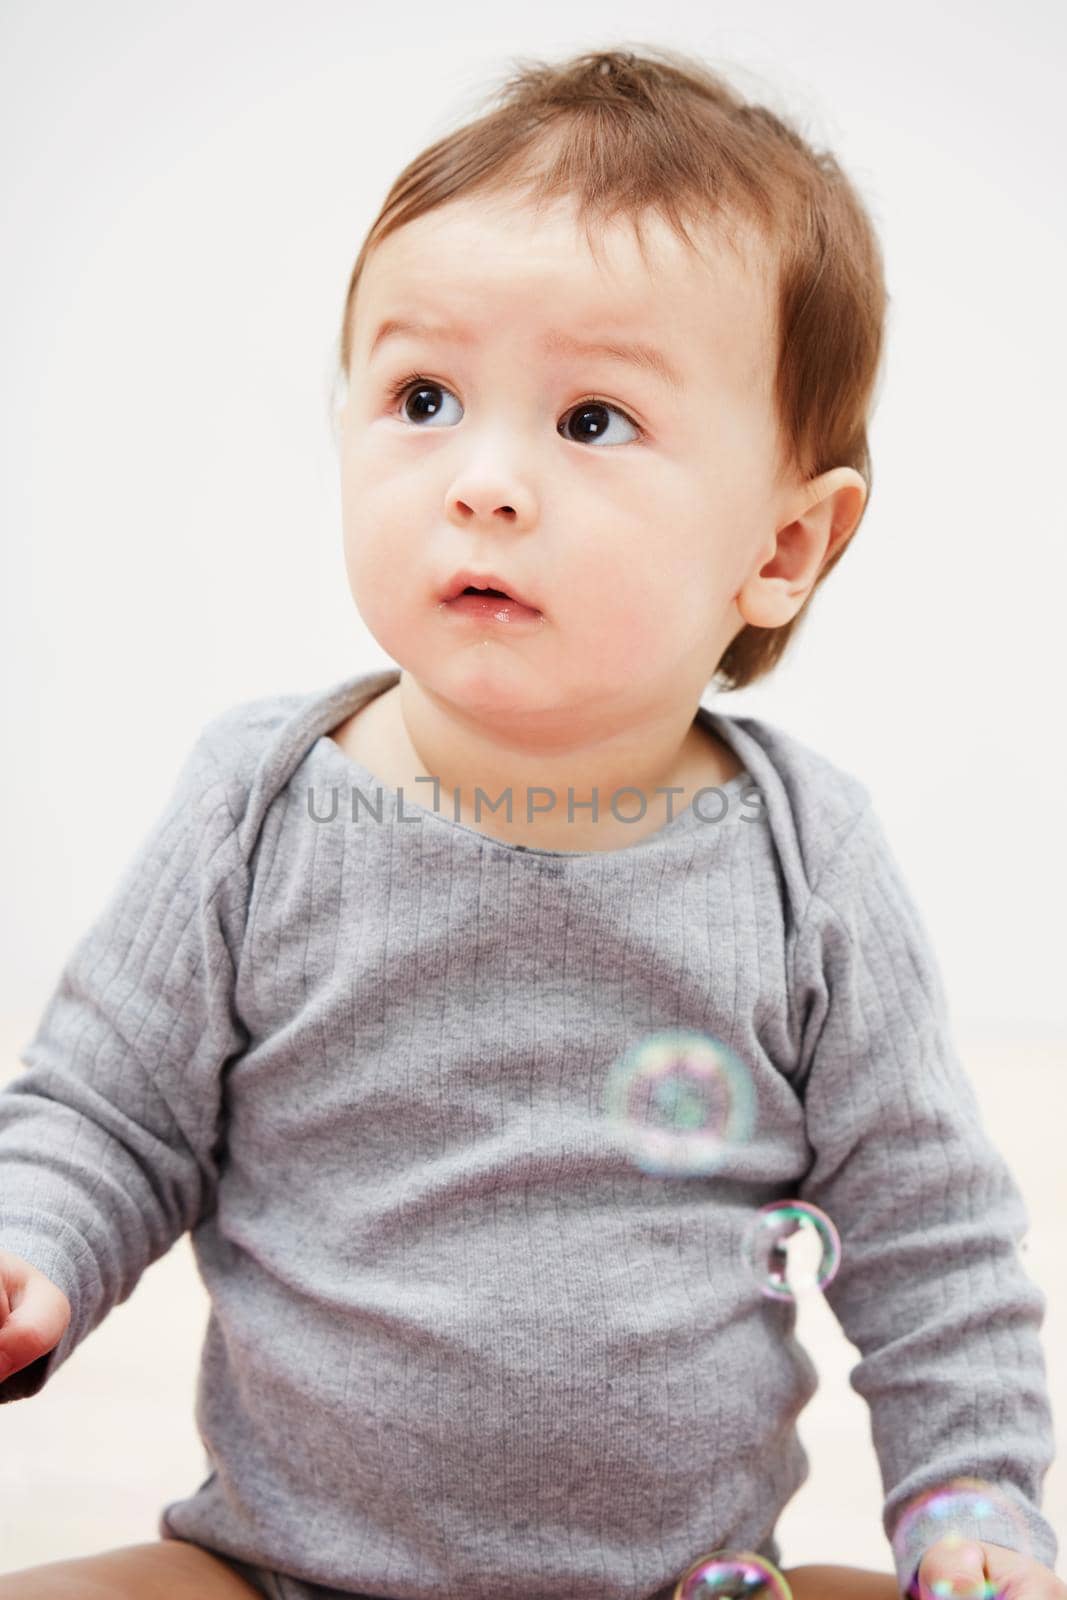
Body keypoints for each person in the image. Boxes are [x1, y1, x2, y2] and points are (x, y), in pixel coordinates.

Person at [0, 43, 1060, 1600]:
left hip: (686, 1579)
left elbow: (930, 1237)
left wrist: (973, 1499)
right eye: (424, 397)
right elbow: (110, 1114)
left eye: (593, 421)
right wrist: (32, 1251)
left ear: (783, 544)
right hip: (283, 1569)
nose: (484, 480)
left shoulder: (800, 862)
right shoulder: (262, 808)